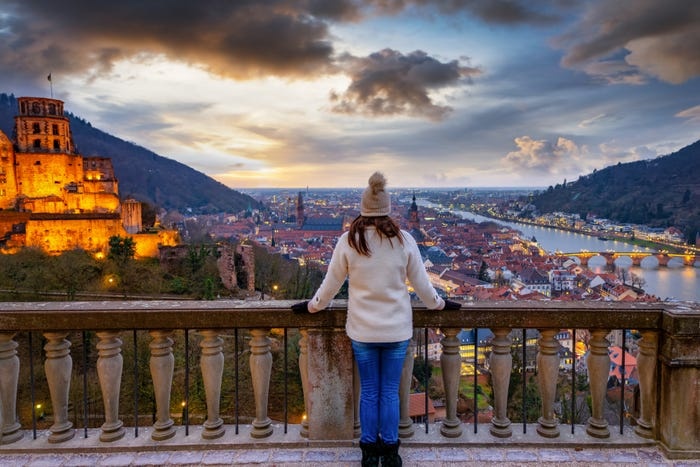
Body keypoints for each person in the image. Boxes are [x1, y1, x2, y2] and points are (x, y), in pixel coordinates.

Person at [292, 172, 460, 467]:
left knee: (369, 392)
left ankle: (370, 452)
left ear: (363, 208)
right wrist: (441, 304)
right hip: (396, 331)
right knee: (390, 392)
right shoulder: (404, 240)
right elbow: (423, 287)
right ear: (387, 208)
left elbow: (331, 285)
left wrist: (313, 306)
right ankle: (391, 451)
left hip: (363, 332)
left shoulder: (349, 240)